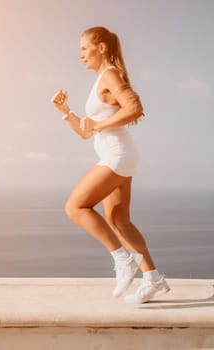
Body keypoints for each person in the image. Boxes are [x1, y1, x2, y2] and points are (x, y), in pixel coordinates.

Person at [50, 26, 170, 303]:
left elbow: (135, 107)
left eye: (83, 48)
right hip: (119, 154)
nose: (79, 54)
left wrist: (100, 124)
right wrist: (65, 111)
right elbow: (86, 132)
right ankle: (152, 278)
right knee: (119, 220)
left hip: (117, 154)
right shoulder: (101, 79)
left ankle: (122, 258)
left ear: (101, 47)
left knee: (75, 207)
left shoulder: (110, 74)